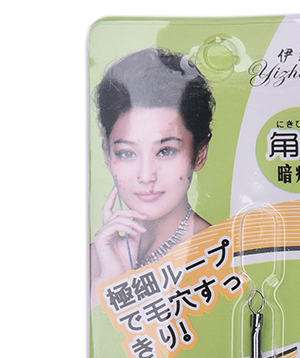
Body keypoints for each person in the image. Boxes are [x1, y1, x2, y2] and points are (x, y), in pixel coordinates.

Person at [91, 48, 215, 288]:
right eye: (127, 153)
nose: (146, 176)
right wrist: (110, 279)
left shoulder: (221, 255)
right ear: (107, 157)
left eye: (165, 151)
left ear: (199, 154)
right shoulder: (92, 261)